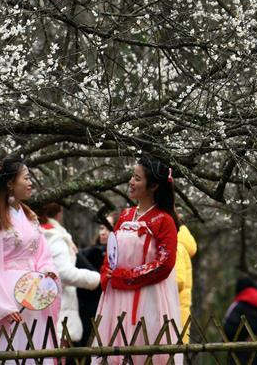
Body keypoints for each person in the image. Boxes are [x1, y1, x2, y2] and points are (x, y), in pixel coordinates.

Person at [0, 157, 60, 362]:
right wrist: (2, 306)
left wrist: (48, 270)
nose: (30, 182)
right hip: (7, 299)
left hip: (33, 294)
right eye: (26, 178)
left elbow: (42, 254)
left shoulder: (30, 216)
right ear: (10, 184)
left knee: (34, 350)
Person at [94, 156, 182, 365]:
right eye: (132, 177)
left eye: (137, 178)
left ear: (153, 186)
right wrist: (107, 274)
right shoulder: (125, 215)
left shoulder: (164, 220)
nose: (131, 182)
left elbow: (165, 263)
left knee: (146, 351)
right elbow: (111, 252)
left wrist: (127, 277)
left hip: (148, 295)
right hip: (117, 294)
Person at [38, 203, 101, 345]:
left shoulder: (38, 233)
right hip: (58, 307)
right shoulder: (54, 236)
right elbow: (63, 273)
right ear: (59, 213)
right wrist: (97, 279)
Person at [76, 221, 110, 347]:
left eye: (108, 229)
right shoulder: (89, 252)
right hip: (86, 305)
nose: (103, 232)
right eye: (101, 227)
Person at [176, 224, 198, 342]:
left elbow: (178, 281)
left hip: (174, 315)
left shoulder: (176, 247)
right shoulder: (179, 245)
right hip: (178, 314)